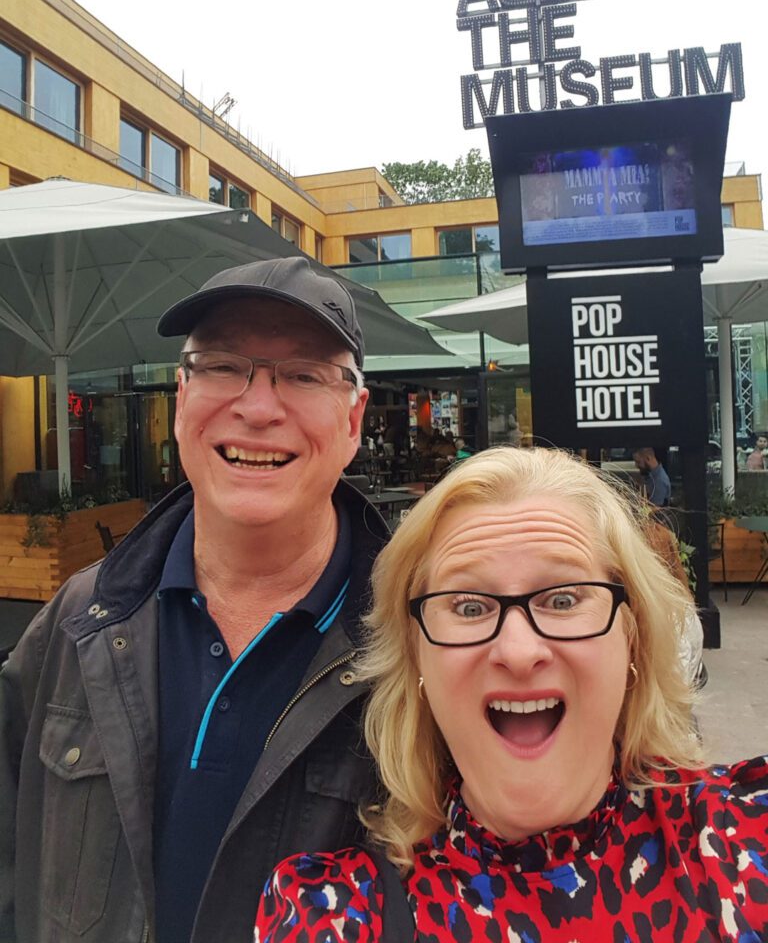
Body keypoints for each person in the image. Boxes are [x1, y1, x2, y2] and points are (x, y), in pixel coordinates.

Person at [0, 257, 391, 943]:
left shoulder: (418, 649)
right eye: (221, 366)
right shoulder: (79, 619)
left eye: (302, 375)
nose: (258, 406)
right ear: (181, 398)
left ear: (353, 417)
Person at [255, 447, 768, 941]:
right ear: (418, 662)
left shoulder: (748, 842)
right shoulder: (330, 913)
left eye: (563, 598)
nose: (519, 651)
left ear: (632, 638)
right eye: (470, 607)